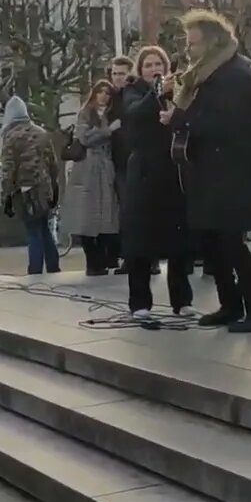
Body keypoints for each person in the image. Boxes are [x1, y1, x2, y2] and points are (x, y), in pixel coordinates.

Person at [162, 9, 251, 332]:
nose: (188, 51)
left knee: (232, 244)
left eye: (193, 44)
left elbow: (226, 124)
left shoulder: (235, 76)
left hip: (230, 175)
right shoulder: (207, 75)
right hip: (208, 172)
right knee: (212, 243)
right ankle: (230, 305)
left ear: (212, 42)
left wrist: (179, 120)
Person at [119, 46, 194, 318]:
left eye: (158, 64)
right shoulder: (133, 91)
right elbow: (135, 114)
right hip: (144, 172)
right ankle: (139, 302)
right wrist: (157, 93)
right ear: (140, 70)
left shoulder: (179, 90)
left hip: (172, 170)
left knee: (178, 238)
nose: (154, 69)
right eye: (148, 65)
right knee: (140, 237)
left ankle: (182, 299)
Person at [0, 96, 61, 275]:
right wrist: (54, 188)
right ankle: (53, 268)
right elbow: (53, 164)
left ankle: (34, 271)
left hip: (26, 192)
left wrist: (6, 198)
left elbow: (8, 171)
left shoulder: (10, 137)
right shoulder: (41, 133)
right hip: (44, 188)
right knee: (44, 229)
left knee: (33, 231)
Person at [67, 80, 122, 276]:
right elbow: (84, 138)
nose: (104, 96)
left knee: (107, 215)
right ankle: (93, 262)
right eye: (100, 92)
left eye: (107, 92)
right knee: (87, 215)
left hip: (106, 166)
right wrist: (108, 130)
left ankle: (106, 258)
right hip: (89, 167)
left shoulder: (111, 113)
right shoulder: (86, 112)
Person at [106, 56, 135, 272]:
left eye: (121, 73)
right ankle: (129, 256)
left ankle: (143, 258)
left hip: (134, 159)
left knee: (135, 210)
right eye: (114, 73)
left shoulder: (133, 96)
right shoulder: (109, 99)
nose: (117, 77)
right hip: (116, 161)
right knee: (123, 212)